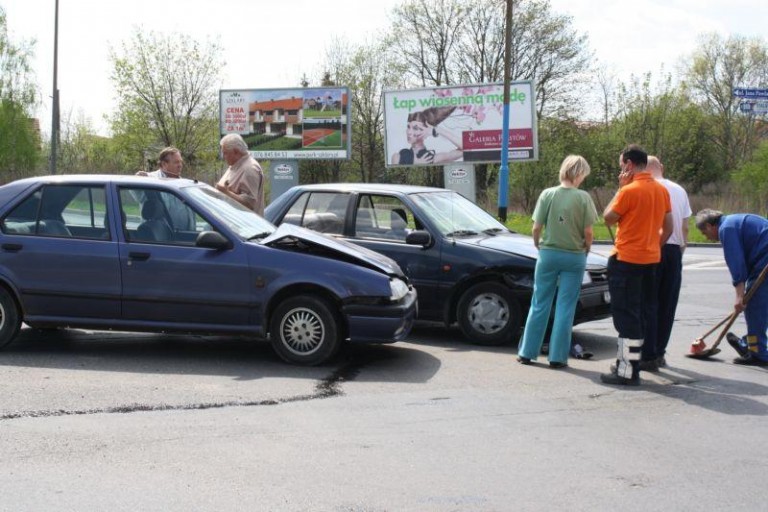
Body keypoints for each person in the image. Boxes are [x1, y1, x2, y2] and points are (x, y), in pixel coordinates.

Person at [600, 145, 672, 386]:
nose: (621, 169)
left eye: (622, 165)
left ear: (629, 164)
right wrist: (653, 245)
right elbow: (669, 226)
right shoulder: (661, 190)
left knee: (625, 318)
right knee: (640, 314)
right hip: (650, 260)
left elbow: (608, 217)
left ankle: (627, 370)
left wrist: (619, 189)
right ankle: (630, 363)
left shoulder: (629, 190)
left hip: (626, 260)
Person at [517, 155, 598, 369]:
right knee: (565, 306)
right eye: (583, 175)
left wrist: (538, 244)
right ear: (578, 173)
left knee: (540, 302)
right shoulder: (583, 198)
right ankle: (558, 357)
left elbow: (536, 228)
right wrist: (586, 248)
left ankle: (527, 352)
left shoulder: (547, 194)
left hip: (548, 254)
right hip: (574, 256)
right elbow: (588, 232)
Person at [695, 209, 768, 366]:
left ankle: (758, 353)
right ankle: (749, 343)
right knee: (761, 307)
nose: (705, 237)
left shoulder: (726, 229)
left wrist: (739, 297)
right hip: (762, 258)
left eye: (703, 232)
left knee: (754, 307)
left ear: (709, 225)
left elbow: (737, 263)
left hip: (765, 260)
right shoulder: (733, 221)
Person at [639, 156, 692, 371]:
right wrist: (681, 247)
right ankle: (660, 352)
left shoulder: (645, 188)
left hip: (653, 248)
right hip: (673, 250)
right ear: (662, 167)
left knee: (648, 303)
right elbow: (685, 225)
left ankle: (648, 353)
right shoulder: (679, 190)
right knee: (667, 304)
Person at [134, 147, 195, 231]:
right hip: (160, 237)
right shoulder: (151, 180)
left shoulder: (183, 184)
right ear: (164, 164)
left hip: (183, 236)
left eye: (181, 161)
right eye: (176, 162)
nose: (180, 165)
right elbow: (136, 193)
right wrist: (138, 178)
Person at [390, 106, 463, 165]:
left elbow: (466, 149)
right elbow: (395, 160)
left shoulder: (431, 158)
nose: (409, 132)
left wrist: (437, 130)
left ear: (426, 132)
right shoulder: (399, 156)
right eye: (408, 127)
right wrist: (415, 162)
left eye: (415, 128)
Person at [217, 134, 265, 215]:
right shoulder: (236, 165)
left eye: (225, 153)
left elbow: (249, 204)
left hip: (245, 225)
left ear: (236, 151)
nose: (223, 157)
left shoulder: (250, 169)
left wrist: (226, 193)